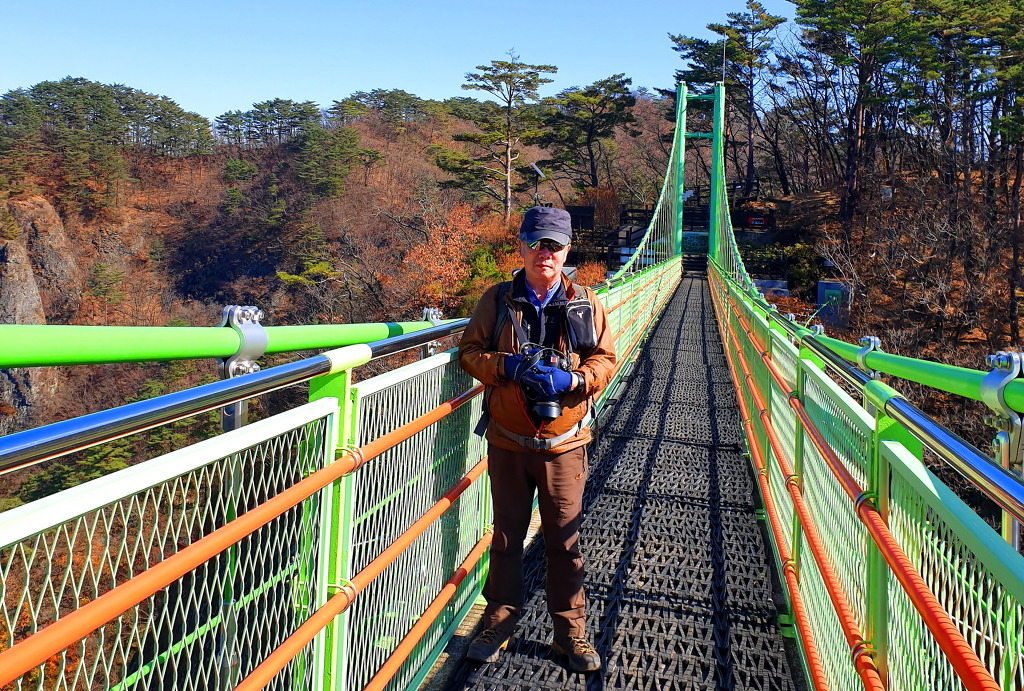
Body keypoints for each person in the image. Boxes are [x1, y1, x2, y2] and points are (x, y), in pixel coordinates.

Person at [457, 206, 616, 673]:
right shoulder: (497, 299)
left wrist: (575, 380)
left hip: (564, 443)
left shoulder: (586, 301)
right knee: (506, 537)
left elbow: (605, 359)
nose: (544, 253)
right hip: (508, 441)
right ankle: (498, 621)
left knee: (564, 541)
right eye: (535, 243)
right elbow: (469, 352)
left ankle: (571, 633)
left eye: (554, 245)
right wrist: (507, 366)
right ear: (521, 246)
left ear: (567, 251)